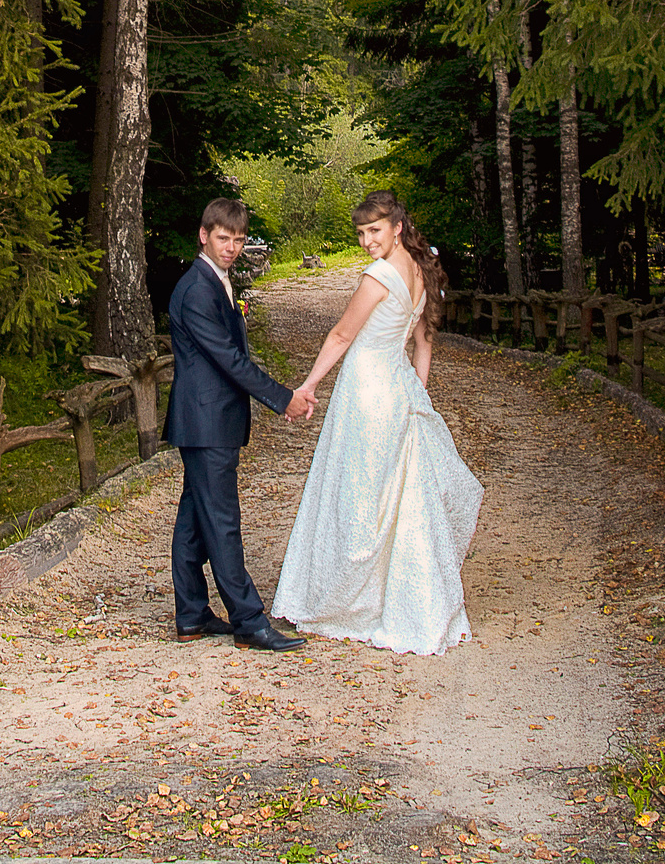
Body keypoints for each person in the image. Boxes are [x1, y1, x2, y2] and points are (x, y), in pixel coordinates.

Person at [272, 191, 484, 655]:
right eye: (362, 233)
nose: (368, 240)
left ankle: (352, 601)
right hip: (398, 388)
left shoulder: (380, 275)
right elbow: (423, 345)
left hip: (367, 392)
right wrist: (416, 393)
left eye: (375, 230)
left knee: (360, 491)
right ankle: (399, 598)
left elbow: (342, 334)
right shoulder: (424, 273)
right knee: (398, 495)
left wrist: (306, 386)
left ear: (397, 227)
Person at [163, 198, 309, 651]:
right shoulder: (196, 290)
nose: (231, 247)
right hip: (205, 423)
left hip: (211, 421)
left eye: (239, 239)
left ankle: (191, 615)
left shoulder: (217, 281)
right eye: (223, 238)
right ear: (204, 235)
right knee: (222, 521)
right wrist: (282, 398)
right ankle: (248, 620)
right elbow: (229, 361)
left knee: (194, 520)